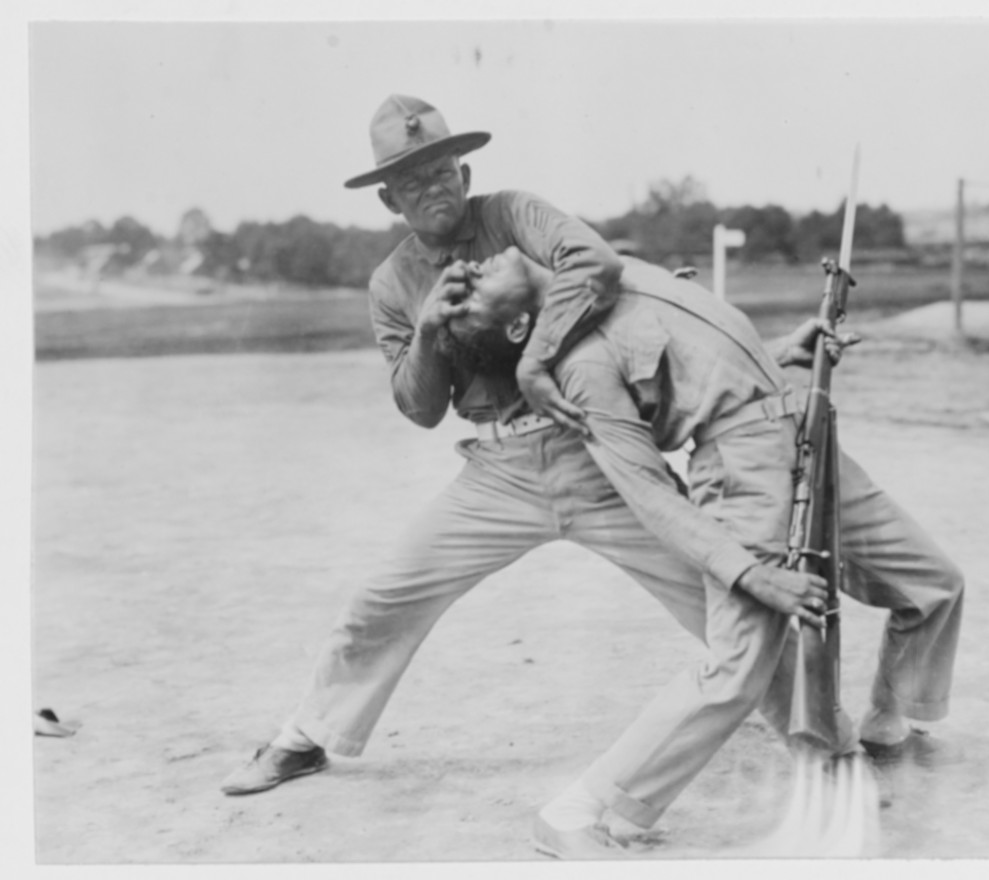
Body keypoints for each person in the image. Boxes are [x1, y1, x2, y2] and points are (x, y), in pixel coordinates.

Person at [220, 96, 845, 844]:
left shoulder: (512, 213)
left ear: (464, 167)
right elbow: (417, 407)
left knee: (729, 595)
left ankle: (819, 731)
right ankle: (306, 733)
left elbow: (598, 264)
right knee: (383, 597)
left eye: (441, 167)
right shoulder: (392, 285)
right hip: (499, 472)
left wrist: (542, 355)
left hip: (596, 450)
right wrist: (426, 330)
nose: (432, 185)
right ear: (388, 199)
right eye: (410, 180)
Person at [441, 248, 965, 856]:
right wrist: (750, 574)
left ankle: (885, 721)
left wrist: (778, 354)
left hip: (802, 433)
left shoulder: (603, 274)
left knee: (933, 585)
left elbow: (697, 367)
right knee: (738, 666)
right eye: (469, 293)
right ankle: (579, 809)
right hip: (742, 475)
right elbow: (648, 492)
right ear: (517, 330)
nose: (470, 268)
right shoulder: (581, 370)